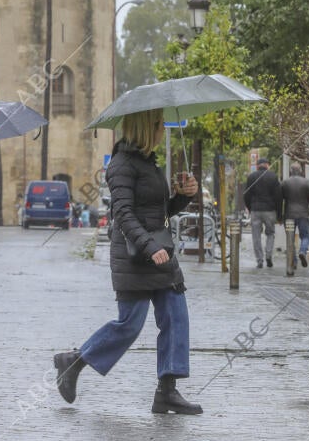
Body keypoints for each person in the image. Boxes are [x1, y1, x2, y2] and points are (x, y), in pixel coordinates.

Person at [53, 109, 203, 415]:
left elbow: (157, 212)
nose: (162, 130)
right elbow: (123, 213)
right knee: (130, 324)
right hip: (134, 257)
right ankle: (74, 361)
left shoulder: (149, 162)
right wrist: (148, 246)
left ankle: (167, 392)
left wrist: (183, 196)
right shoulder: (121, 164)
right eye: (159, 125)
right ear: (146, 128)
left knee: (176, 316)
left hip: (160, 254)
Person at [243, 157, 282, 268]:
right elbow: (278, 196)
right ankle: (268, 255)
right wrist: (279, 214)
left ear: (257, 166)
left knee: (256, 236)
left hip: (255, 210)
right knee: (270, 233)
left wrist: (250, 208)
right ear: (267, 165)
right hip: (270, 210)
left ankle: (259, 260)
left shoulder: (251, 177)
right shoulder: (273, 176)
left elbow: (246, 194)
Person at [281, 162, 309, 268]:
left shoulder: (284, 183)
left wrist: (279, 216)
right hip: (303, 214)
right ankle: (302, 251)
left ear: (290, 171)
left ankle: (294, 261)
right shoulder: (308, 183)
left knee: (290, 239)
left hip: (289, 215)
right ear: (301, 171)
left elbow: (279, 200)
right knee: (305, 236)